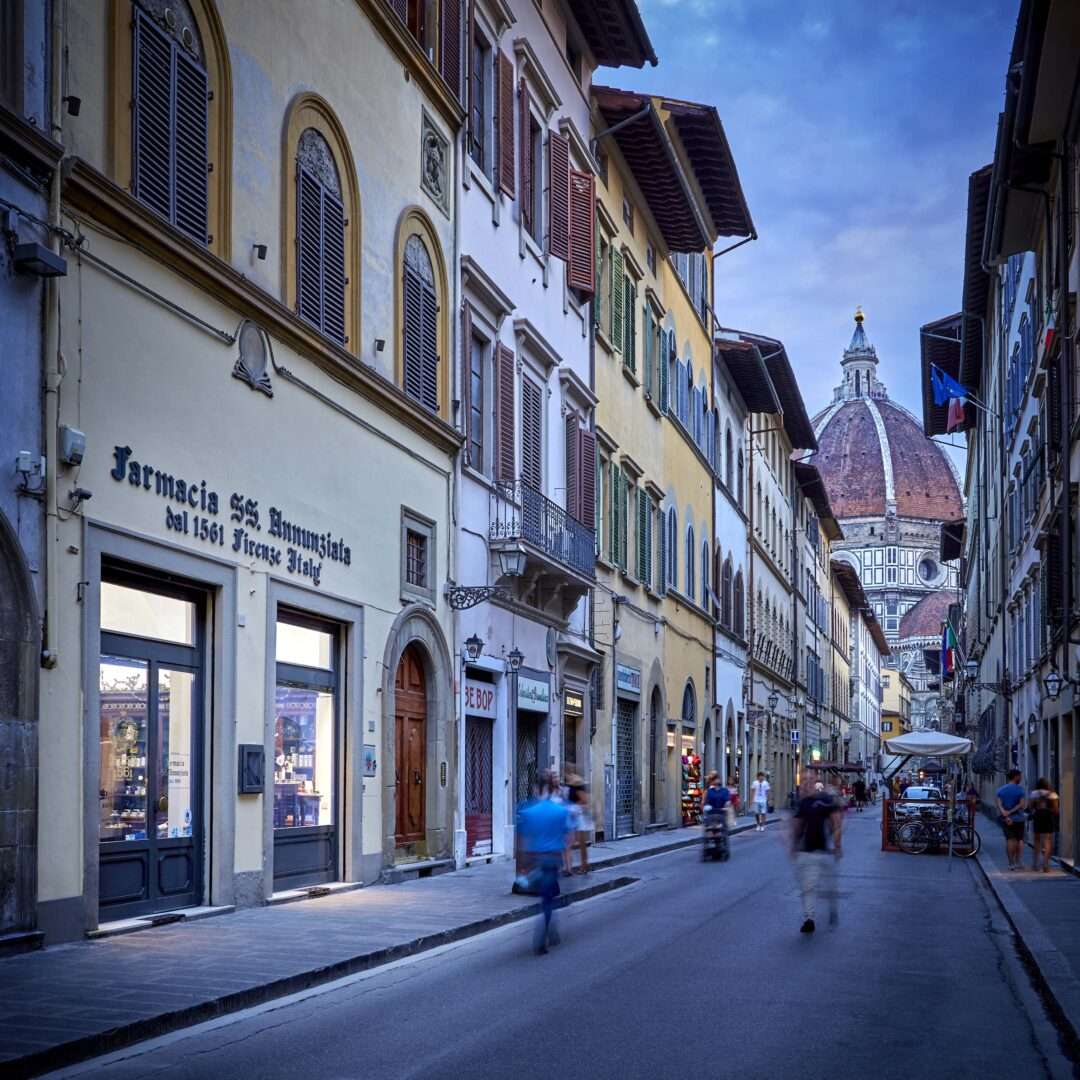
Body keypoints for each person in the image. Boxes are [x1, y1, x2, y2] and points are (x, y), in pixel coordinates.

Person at [517, 771, 573, 954]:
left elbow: (522, 841)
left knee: (546, 894)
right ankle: (543, 936)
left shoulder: (528, 812)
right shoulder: (561, 811)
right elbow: (567, 837)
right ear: (551, 788)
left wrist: (523, 866)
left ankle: (551, 930)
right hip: (553, 858)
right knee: (548, 898)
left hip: (536, 859)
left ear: (537, 789)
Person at [791, 781, 842, 934]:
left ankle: (832, 908)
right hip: (807, 851)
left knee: (829, 885)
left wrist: (837, 845)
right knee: (808, 887)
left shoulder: (826, 801)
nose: (807, 787)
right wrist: (794, 845)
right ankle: (809, 919)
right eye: (805, 784)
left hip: (824, 851)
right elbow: (799, 825)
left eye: (810, 783)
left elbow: (835, 822)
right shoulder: (803, 803)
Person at [995, 768, 1027, 870]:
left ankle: (1011, 863)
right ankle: (1018, 862)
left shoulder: (1001, 790)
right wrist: (1012, 811)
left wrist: (1004, 812)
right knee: (1020, 840)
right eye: (1020, 776)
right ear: (1016, 776)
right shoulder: (1020, 790)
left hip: (1006, 819)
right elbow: (1022, 804)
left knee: (1009, 840)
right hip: (1018, 818)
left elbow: (998, 803)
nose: (1021, 778)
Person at [1028, 778, 1059, 873]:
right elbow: (1056, 810)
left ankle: (1035, 864)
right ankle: (1046, 865)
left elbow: (1030, 807)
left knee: (1036, 841)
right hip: (1048, 818)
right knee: (1047, 841)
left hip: (1038, 817)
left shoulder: (1034, 794)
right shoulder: (1053, 794)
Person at [566, 774, 592, 875]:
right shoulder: (571, 785)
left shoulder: (578, 786)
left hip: (581, 817)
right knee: (578, 843)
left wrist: (572, 807)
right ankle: (583, 865)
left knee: (581, 843)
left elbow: (585, 801)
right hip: (577, 817)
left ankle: (584, 866)